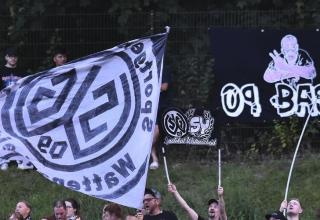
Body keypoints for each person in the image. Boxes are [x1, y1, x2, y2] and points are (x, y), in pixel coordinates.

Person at [149, 68, 172, 170]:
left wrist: (149, 88)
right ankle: (154, 160)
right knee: (148, 134)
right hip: (148, 108)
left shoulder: (163, 69)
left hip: (161, 108)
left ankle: (143, 151)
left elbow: (164, 87)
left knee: (155, 133)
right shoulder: (147, 70)